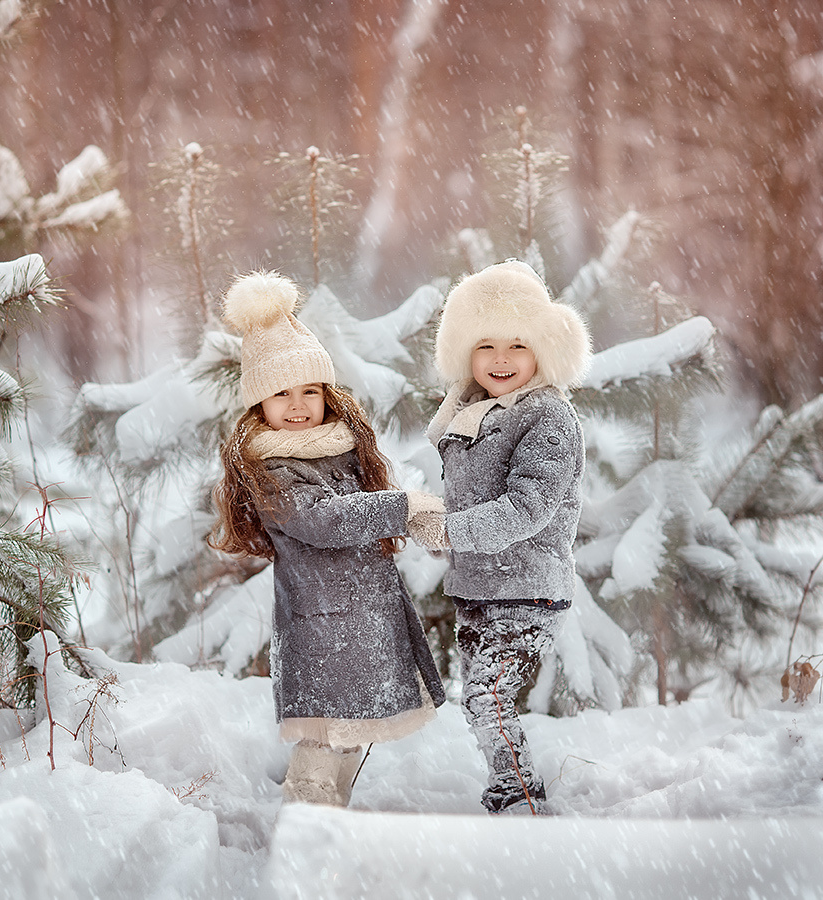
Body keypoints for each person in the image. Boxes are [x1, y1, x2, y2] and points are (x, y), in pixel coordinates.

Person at [209, 269, 447, 808]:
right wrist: (403, 509)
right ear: (259, 405)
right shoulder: (268, 467)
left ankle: (331, 821)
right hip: (322, 626)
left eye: (309, 390)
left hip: (368, 617)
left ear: (327, 394)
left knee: (355, 734)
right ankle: (309, 824)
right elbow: (323, 520)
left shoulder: (342, 449)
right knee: (323, 739)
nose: (297, 404)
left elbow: (360, 515)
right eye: (281, 393)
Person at [409, 260, 592, 816]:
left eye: (518, 344)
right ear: (464, 351)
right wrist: (429, 520)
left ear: (544, 348)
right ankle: (509, 785)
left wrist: (450, 528)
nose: (501, 360)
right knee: (480, 701)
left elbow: (527, 508)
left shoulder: (548, 416)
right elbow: (469, 504)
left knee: (489, 696)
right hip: (480, 587)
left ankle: (520, 799)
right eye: (485, 345)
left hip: (528, 586)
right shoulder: (469, 414)